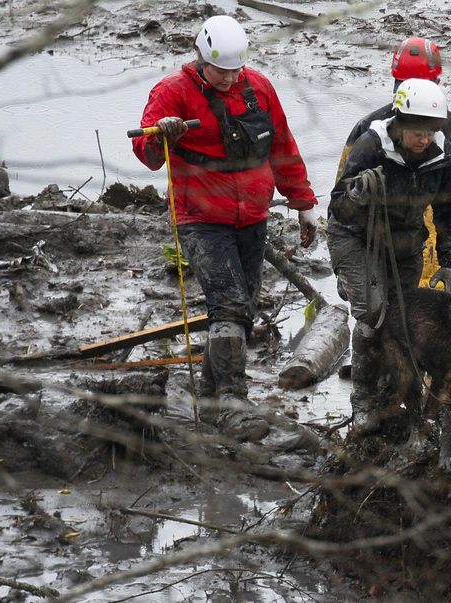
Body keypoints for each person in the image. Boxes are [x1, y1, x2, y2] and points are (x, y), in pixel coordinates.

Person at [132, 15, 318, 410]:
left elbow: (282, 145)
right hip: (200, 219)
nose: (229, 79)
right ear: (200, 57)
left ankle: (211, 395)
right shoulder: (173, 92)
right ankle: (234, 404)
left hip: (252, 217)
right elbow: (147, 155)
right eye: (220, 71)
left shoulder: (259, 89)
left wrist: (303, 204)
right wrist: (163, 134)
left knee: (241, 311)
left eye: (235, 70)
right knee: (229, 306)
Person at [328, 78, 451, 434]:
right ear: (399, 122)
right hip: (356, 238)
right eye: (417, 130)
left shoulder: (442, 155)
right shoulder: (371, 146)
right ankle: (362, 401)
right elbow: (339, 208)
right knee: (374, 316)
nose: (424, 139)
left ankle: (392, 401)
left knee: (404, 322)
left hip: (405, 244)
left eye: (431, 130)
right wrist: (358, 195)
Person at [338, 37, 451, 294]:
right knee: (378, 330)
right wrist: (347, 269)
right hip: (382, 270)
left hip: (442, 274)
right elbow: (341, 207)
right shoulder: (370, 136)